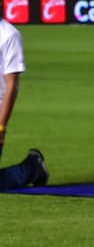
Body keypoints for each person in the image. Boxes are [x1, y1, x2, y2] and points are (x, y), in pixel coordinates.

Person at [0, 16, 48, 191]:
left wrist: (1, 126)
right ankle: (33, 168)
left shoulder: (8, 35)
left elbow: (12, 84)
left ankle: (31, 169)